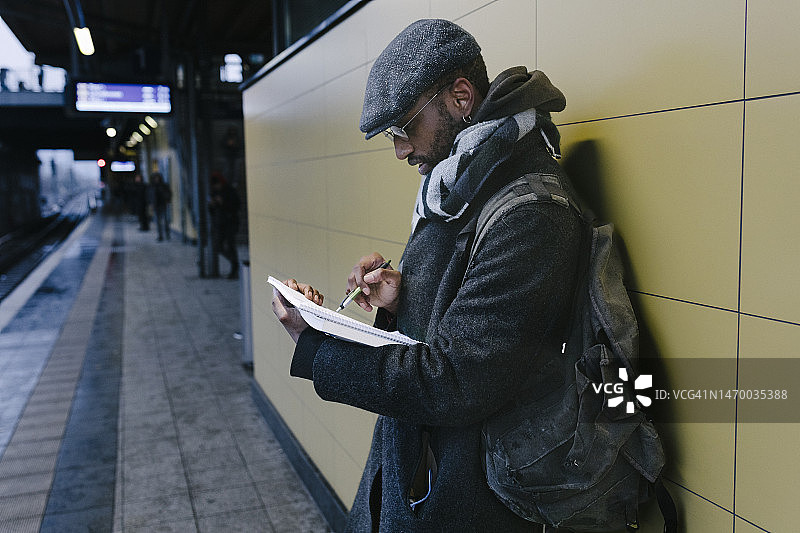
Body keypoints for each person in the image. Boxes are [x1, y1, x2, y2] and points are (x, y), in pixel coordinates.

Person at [272, 19, 582, 532]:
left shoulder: (532, 213)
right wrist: (401, 300)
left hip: (471, 503)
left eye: (403, 129)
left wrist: (318, 348)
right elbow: (452, 329)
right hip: (420, 477)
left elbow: (456, 380)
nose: (400, 150)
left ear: (461, 97)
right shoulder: (459, 186)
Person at [208, 172, 240, 279]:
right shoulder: (214, 192)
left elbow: (236, 206)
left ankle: (234, 267)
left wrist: (223, 203)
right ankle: (234, 262)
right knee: (218, 246)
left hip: (230, 223)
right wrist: (212, 205)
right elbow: (212, 210)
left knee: (231, 246)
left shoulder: (229, 191)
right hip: (219, 224)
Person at [151, 172, 172, 241]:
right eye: (155, 178)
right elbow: (151, 196)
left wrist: (167, 199)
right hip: (157, 205)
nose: (156, 179)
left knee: (166, 221)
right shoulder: (153, 186)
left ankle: (167, 234)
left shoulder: (164, 185)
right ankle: (160, 235)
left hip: (163, 205)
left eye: (158, 178)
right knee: (158, 222)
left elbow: (169, 193)